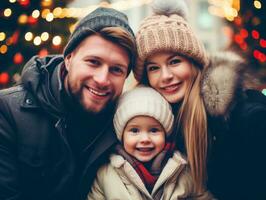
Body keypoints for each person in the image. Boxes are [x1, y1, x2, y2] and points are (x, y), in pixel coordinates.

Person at [133, 0, 266, 199]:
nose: (165, 75)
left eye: (175, 61)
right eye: (154, 67)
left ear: (194, 62)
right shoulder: (154, 126)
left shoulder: (246, 120)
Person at [0, 7, 136, 200]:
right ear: (69, 59)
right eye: (93, 62)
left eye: (116, 70)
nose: (102, 79)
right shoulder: (8, 112)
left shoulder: (126, 125)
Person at [88, 86, 213, 200]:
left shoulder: (183, 170)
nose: (145, 139)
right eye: (134, 130)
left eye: (154, 130)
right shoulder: (106, 174)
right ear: (122, 135)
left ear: (166, 134)